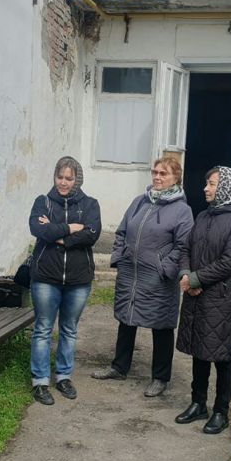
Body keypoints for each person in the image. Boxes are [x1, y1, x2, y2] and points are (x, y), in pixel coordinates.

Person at [91, 157, 193, 397]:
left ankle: (160, 377)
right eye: (155, 172)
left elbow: (183, 245)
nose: (157, 177)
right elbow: (121, 231)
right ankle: (119, 367)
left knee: (162, 325)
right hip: (130, 273)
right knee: (126, 319)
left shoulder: (182, 211)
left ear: (176, 178)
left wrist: (164, 268)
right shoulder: (139, 202)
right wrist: (120, 257)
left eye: (163, 173)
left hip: (158, 277)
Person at [174, 166, 231, 434]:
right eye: (207, 183)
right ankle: (198, 403)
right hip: (196, 295)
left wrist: (196, 279)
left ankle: (220, 411)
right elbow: (186, 247)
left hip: (221, 298)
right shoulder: (204, 215)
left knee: (221, 355)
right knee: (199, 350)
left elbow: (229, 262)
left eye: (212, 184)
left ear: (226, 187)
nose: (205, 189)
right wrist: (185, 274)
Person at [28, 156, 102, 405]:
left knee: (69, 329)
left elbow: (91, 235)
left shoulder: (90, 204)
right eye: (60, 177)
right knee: (43, 329)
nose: (63, 182)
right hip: (46, 278)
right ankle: (40, 381)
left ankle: (63, 377)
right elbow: (38, 230)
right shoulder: (43, 202)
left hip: (78, 280)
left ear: (77, 180)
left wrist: (57, 234)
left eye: (69, 178)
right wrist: (71, 228)